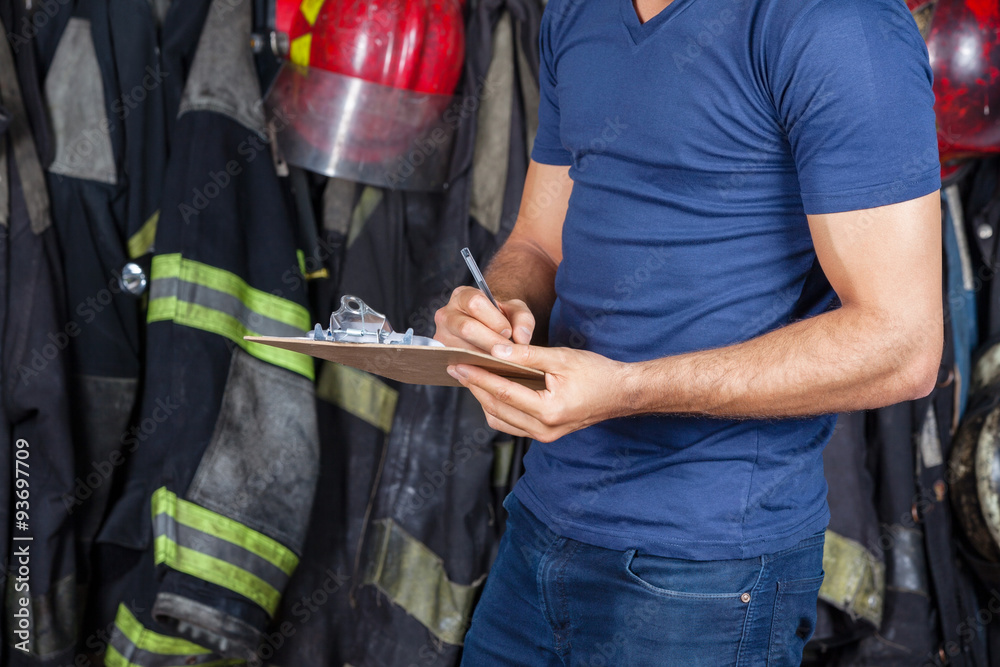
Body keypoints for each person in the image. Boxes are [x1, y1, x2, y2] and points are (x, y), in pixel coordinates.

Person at [433, 0, 943, 663]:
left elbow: (902, 344)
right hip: (539, 523)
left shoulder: (838, 23)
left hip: (709, 572)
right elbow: (539, 240)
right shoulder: (574, 11)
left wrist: (625, 389)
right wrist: (497, 307)